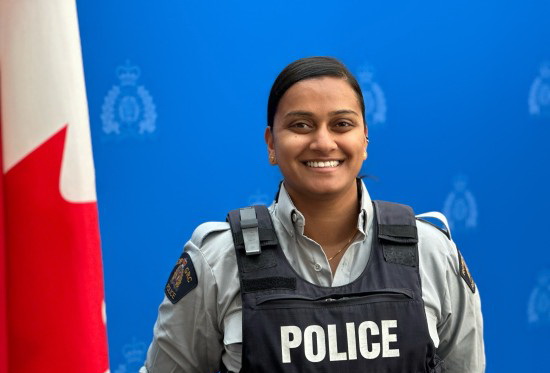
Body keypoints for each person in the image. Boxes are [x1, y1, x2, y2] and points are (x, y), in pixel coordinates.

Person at [140, 57, 485, 372]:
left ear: (364, 138)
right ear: (272, 144)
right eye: (301, 125)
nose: (322, 142)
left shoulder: (432, 253)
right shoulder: (218, 260)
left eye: (341, 124)